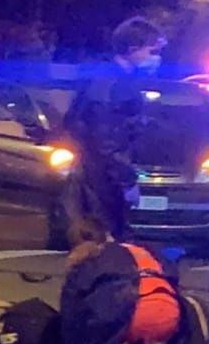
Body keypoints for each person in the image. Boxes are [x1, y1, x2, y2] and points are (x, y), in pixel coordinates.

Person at [61, 17, 166, 241]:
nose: (155, 58)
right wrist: (126, 180)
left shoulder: (108, 78)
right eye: (151, 51)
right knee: (109, 242)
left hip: (98, 175)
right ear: (133, 49)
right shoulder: (113, 83)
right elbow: (106, 138)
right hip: (103, 180)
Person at [57, 220, 181, 344]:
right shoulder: (145, 250)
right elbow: (174, 278)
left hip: (123, 316)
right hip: (167, 312)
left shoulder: (91, 257)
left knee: (97, 312)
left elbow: (71, 310)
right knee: (152, 318)